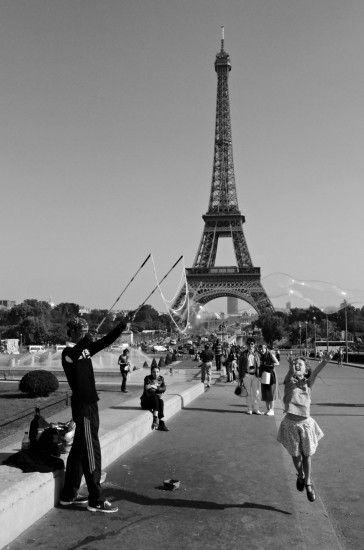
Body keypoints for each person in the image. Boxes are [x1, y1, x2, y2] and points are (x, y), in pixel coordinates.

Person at [60, 316, 129, 513]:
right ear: (72, 331)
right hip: (83, 407)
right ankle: (95, 499)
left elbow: (106, 340)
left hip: (90, 404)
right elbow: (74, 354)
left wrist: (122, 326)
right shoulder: (67, 353)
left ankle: (68, 494)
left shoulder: (84, 350)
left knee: (78, 450)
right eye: (81, 330)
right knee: (92, 452)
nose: (84, 333)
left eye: (85, 330)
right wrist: (85, 340)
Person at [277, 351, 333, 502]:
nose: (297, 365)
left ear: (305, 370)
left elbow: (315, 372)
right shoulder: (289, 381)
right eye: (295, 364)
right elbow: (289, 374)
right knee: (296, 455)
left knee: (307, 455)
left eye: (300, 364)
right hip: (290, 424)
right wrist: (290, 365)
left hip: (305, 424)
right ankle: (300, 475)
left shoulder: (308, 383)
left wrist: (324, 362)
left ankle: (308, 482)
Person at [141, 365, 169, 431]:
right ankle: (155, 418)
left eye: (157, 372)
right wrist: (158, 389)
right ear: (151, 372)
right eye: (154, 372)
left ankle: (161, 423)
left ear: (159, 372)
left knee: (161, 401)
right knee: (156, 396)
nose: (156, 373)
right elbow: (149, 390)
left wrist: (155, 387)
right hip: (146, 402)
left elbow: (164, 389)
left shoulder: (161, 378)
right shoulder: (147, 378)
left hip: (155, 402)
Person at [238, 337, 262, 415]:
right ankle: (249, 408)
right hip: (246, 375)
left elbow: (261, 364)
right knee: (248, 393)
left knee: (256, 393)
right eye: (249, 344)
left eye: (252, 344)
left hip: (255, 375)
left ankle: (256, 408)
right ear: (246, 344)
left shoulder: (258, 353)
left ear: (254, 344)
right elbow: (240, 365)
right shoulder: (243, 353)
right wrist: (240, 377)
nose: (250, 345)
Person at [258, 344, 280, 415]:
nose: (261, 351)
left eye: (262, 349)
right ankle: (268, 409)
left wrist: (269, 365)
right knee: (265, 392)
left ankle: (272, 410)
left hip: (271, 375)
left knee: (271, 392)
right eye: (260, 349)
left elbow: (277, 363)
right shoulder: (260, 355)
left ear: (266, 348)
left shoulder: (270, 354)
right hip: (264, 374)